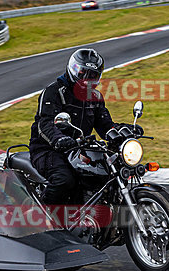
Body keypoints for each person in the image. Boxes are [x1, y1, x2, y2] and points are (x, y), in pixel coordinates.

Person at [29, 48, 121, 205]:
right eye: (82, 73)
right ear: (72, 69)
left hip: (79, 149)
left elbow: (105, 125)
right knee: (64, 179)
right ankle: (44, 220)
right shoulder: (53, 92)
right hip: (48, 149)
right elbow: (45, 123)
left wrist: (122, 132)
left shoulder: (95, 97)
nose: (86, 79)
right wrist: (59, 139)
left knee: (108, 174)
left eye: (92, 75)